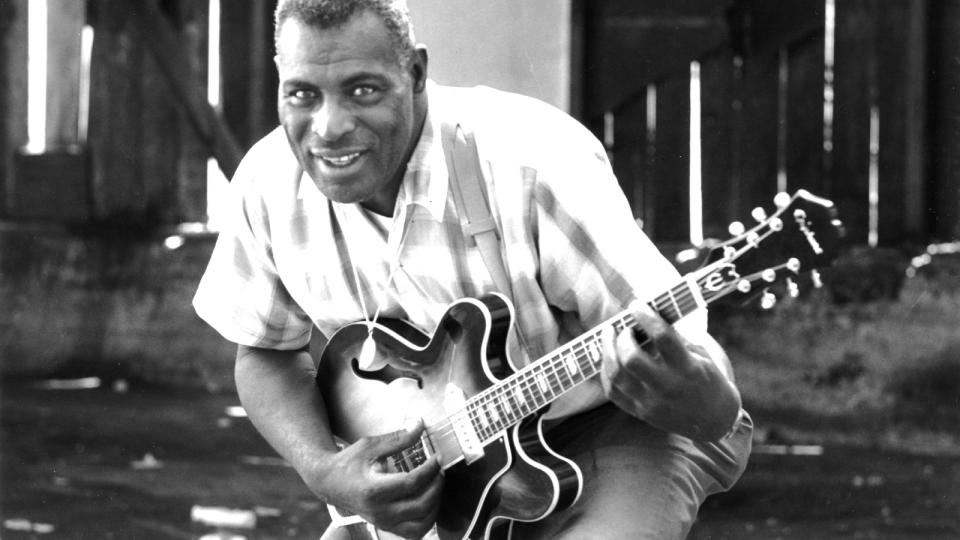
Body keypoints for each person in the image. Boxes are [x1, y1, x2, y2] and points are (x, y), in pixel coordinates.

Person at [193, 0, 752, 538]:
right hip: (446, 462)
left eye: (362, 90)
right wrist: (324, 471)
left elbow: (684, 358)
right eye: (302, 95)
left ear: (414, 71)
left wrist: (706, 403)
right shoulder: (268, 183)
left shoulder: (533, 164)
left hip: (607, 423)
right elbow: (265, 351)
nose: (329, 126)